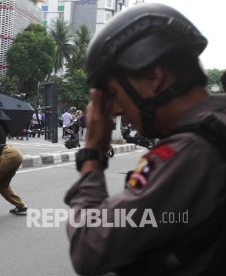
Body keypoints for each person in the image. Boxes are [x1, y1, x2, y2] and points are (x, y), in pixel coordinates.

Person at [64, 3, 226, 275]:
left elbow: (89, 246)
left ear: (154, 77)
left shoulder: (191, 150)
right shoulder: (216, 125)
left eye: (113, 94)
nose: (114, 110)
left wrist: (92, 154)